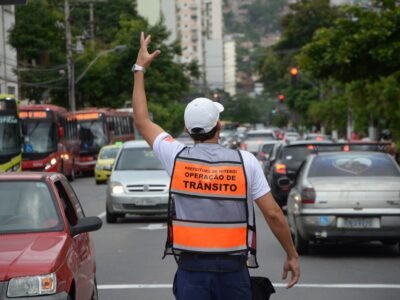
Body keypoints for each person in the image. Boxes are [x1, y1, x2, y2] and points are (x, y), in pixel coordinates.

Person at [132, 32, 300, 300]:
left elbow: (141, 120)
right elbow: (273, 215)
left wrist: (139, 69)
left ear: (188, 128)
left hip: (191, 272)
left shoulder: (175, 157)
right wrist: (291, 254)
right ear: (218, 126)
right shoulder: (245, 162)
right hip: (233, 273)